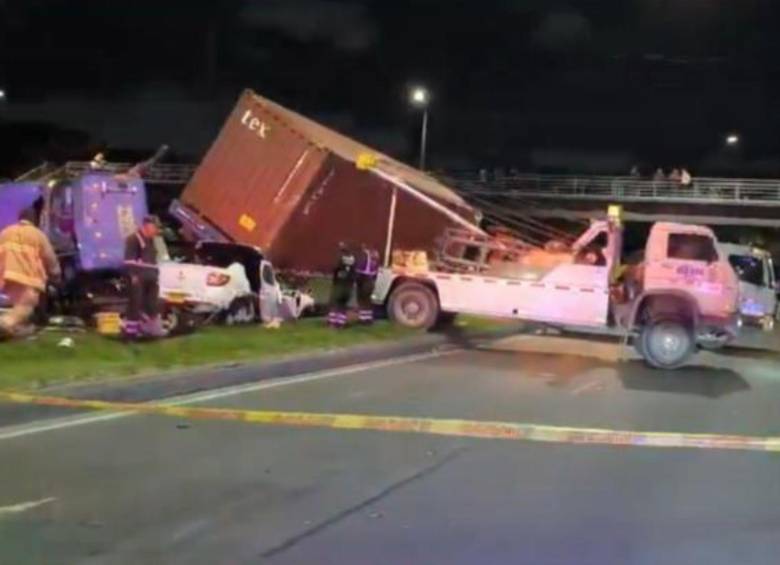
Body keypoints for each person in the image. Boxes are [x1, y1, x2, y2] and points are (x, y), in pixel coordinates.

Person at [0, 207, 61, 338]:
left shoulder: (5, 232)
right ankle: (4, 324)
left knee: (18, 305)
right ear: (34, 219)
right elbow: (50, 258)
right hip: (26, 276)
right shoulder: (37, 235)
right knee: (26, 306)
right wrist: (56, 273)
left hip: (6, 276)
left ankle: (13, 329)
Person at [123, 215, 165, 339]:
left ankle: (150, 329)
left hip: (151, 277)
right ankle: (131, 333)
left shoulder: (152, 241)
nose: (156, 231)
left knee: (152, 304)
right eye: (155, 227)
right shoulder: (133, 239)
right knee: (135, 304)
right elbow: (129, 261)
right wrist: (133, 276)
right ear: (147, 226)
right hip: (138, 277)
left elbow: (155, 259)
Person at [327, 243, 356, 329]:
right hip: (348, 285)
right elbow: (354, 272)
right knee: (343, 305)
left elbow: (336, 269)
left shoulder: (340, 258)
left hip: (340, 284)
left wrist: (334, 279)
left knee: (334, 303)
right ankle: (341, 323)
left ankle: (332, 323)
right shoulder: (353, 259)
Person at [354, 244, 379, 325]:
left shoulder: (364, 257)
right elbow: (375, 274)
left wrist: (355, 280)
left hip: (364, 281)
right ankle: (368, 319)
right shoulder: (374, 259)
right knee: (367, 301)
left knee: (362, 300)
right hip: (371, 281)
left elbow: (359, 270)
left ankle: (363, 319)